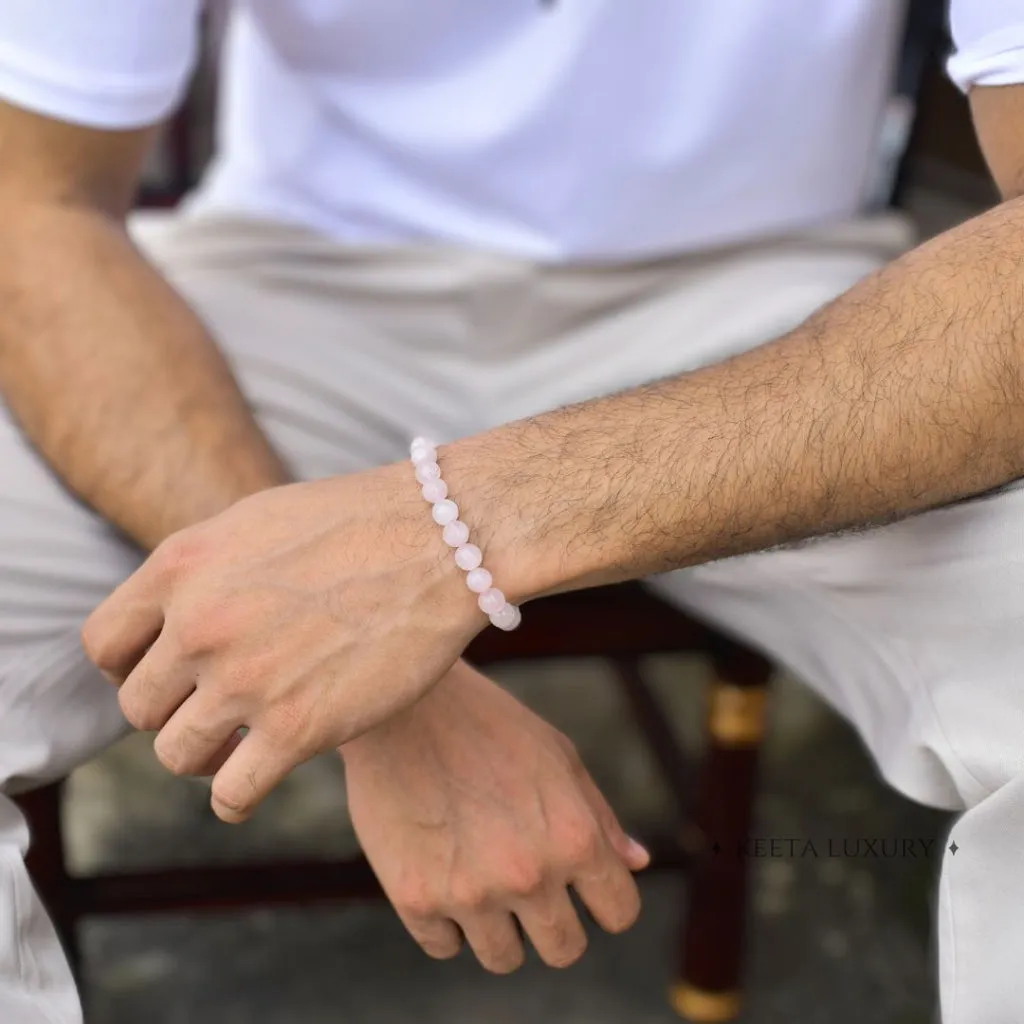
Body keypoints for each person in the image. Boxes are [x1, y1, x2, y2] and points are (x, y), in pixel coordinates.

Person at [0, 1, 1020, 1021]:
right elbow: (33, 205)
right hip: (289, 282)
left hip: (772, 311)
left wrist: (444, 544)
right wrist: (371, 671)